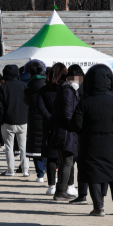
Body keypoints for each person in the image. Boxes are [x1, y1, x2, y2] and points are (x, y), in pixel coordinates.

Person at [72, 64, 113, 215]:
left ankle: (98, 207)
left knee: (93, 175)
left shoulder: (85, 102)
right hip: (111, 141)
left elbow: (76, 125)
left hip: (90, 143)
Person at [47, 63, 81, 201]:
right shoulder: (67, 91)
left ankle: (60, 190)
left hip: (62, 131)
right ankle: (61, 191)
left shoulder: (64, 90)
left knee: (64, 162)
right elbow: (68, 113)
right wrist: (74, 126)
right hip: (66, 132)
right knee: (67, 162)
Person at [0, 64, 29, 176]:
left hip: (7, 121)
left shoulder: (2, 87)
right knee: (23, 146)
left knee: (9, 146)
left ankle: (10, 171)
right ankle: (25, 170)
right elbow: (28, 104)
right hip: (23, 120)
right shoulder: (24, 86)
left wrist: (1, 120)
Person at [37, 66, 63, 195]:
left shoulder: (43, 90)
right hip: (64, 126)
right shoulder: (65, 90)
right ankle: (68, 184)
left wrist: (50, 118)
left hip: (48, 126)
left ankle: (51, 185)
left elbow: (41, 108)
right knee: (65, 156)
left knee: (51, 157)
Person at [24, 60, 47, 183]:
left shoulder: (28, 87)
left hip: (33, 120)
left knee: (35, 148)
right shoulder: (48, 86)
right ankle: (51, 172)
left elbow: (26, 102)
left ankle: (40, 174)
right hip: (46, 119)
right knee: (47, 147)